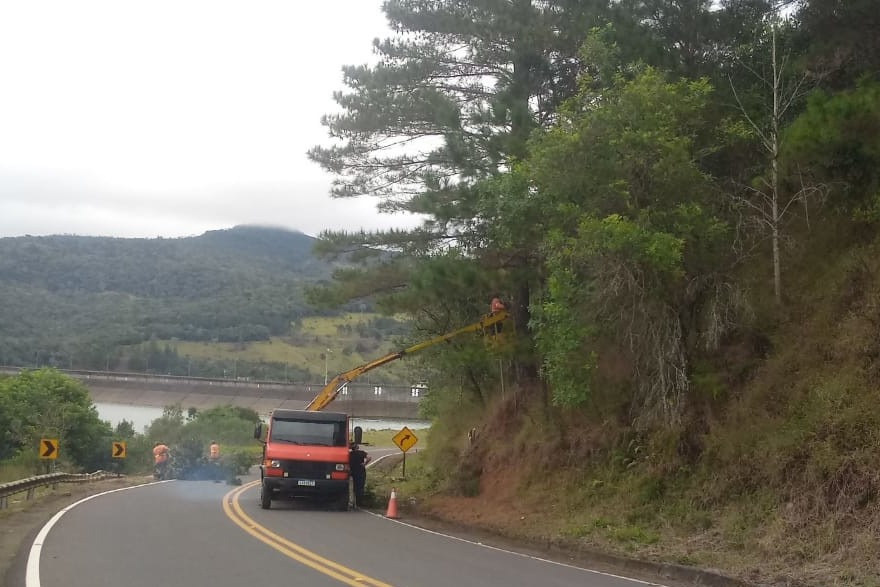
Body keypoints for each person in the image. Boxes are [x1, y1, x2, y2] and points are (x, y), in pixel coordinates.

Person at [349, 443, 371, 507]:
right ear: (357, 447)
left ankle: (352, 502)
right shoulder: (362, 453)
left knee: (352, 486)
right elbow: (369, 458)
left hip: (352, 471)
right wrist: (364, 464)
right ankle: (359, 503)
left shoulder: (350, 454)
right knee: (360, 487)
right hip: (360, 471)